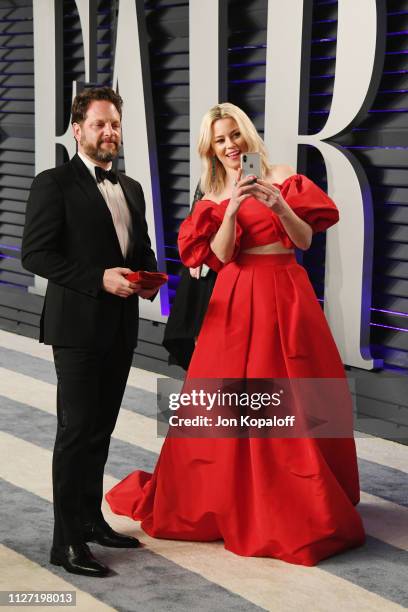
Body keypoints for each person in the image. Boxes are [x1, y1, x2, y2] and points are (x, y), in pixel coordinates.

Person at [106, 103, 365, 566]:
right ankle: (232, 499)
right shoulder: (210, 195)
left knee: (301, 395)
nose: (230, 146)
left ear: (247, 136)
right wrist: (231, 211)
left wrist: (277, 201)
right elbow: (218, 257)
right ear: (211, 149)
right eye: (219, 141)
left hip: (287, 293)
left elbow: (304, 240)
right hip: (237, 299)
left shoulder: (284, 175)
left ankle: (305, 498)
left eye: (234, 136)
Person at [22, 87, 158, 577]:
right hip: (76, 328)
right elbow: (35, 255)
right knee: (75, 433)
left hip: (121, 327)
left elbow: (138, 249)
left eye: (115, 124)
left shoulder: (133, 188)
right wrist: (98, 278)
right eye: (100, 123)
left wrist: (148, 276)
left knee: (100, 432)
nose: (109, 132)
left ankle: (90, 519)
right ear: (78, 130)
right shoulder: (52, 183)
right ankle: (66, 543)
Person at [162, 183, 217, 370]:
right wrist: (196, 253)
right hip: (204, 268)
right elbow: (193, 221)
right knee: (200, 340)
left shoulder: (259, 177)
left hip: (239, 268)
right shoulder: (208, 178)